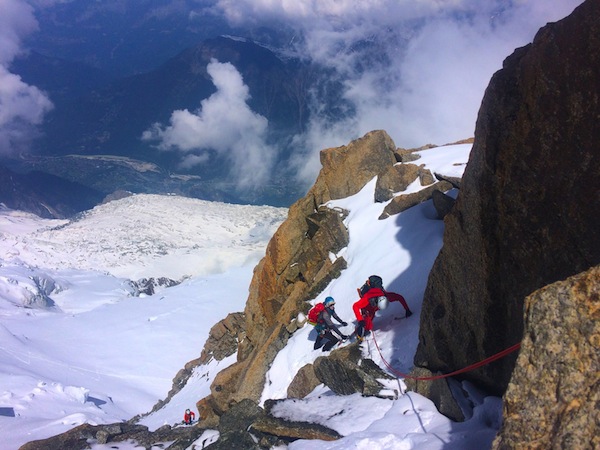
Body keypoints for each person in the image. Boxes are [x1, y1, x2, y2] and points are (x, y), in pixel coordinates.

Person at [352, 275, 412, 340]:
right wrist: (360, 320)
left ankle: (364, 331)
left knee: (369, 319)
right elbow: (355, 306)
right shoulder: (369, 298)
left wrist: (407, 309)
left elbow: (399, 297)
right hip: (367, 308)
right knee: (368, 320)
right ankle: (362, 332)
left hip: (371, 307)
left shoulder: (384, 295)